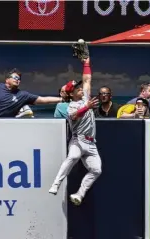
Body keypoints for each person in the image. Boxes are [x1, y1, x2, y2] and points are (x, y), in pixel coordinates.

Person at [48, 57, 102, 206]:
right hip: (78, 140)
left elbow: (87, 80)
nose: (80, 89)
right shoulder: (71, 105)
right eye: (76, 89)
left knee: (97, 170)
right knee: (73, 156)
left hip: (91, 144)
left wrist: (86, 63)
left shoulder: (86, 97)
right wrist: (87, 107)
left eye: (79, 88)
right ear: (72, 94)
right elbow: (73, 116)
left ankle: (79, 194)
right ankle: (56, 184)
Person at [0, 68, 65, 117]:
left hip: (5, 126)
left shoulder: (23, 95)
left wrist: (63, 99)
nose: (18, 80)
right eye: (15, 78)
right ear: (7, 79)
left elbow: (44, 99)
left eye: (19, 79)